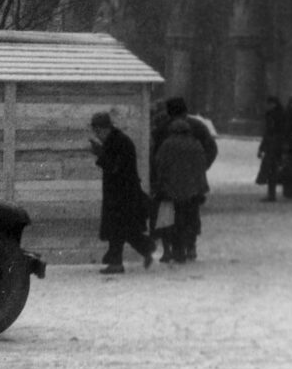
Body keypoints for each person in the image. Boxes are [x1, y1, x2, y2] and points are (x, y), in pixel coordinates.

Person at [152, 96, 218, 261]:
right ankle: (190, 246)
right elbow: (210, 149)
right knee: (190, 215)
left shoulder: (162, 130)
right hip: (192, 183)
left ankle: (169, 249)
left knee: (167, 214)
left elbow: (156, 158)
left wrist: (158, 177)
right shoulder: (198, 129)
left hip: (168, 184)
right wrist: (201, 168)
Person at [89, 111, 153, 275]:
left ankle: (118, 262)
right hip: (121, 193)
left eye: (97, 131)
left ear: (105, 128)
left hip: (122, 194)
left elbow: (116, 168)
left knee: (118, 229)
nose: (97, 135)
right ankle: (145, 248)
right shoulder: (117, 140)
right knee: (124, 229)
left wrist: (100, 154)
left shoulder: (118, 142)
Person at [256, 95, 284, 202]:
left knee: (271, 170)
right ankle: (272, 193)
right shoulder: (278, 115)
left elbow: (268, 133)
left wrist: (262, 148)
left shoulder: (273, 116)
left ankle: (271, 194)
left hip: (273, 147)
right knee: (272, 170)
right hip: (275, 146)